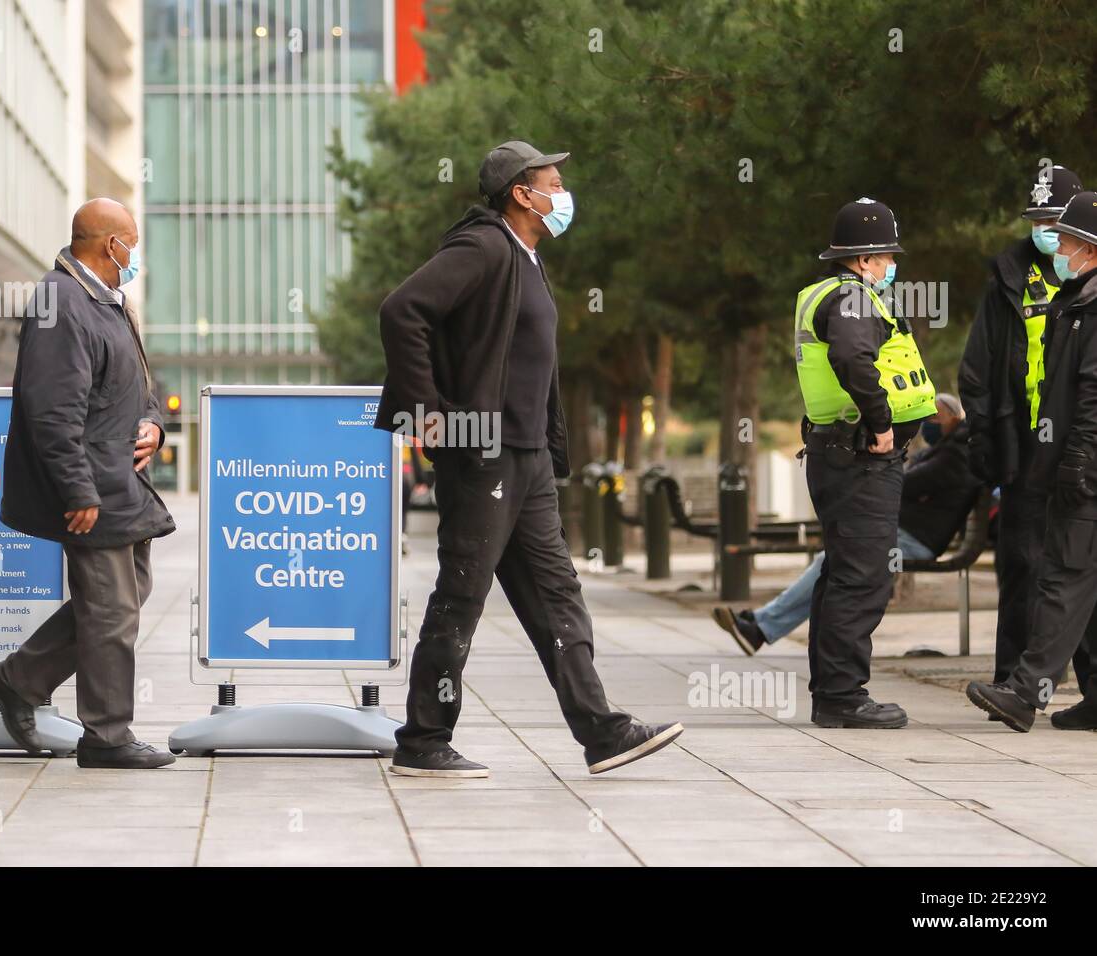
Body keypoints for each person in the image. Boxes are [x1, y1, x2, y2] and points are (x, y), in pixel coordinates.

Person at [373, 141, 682, 778]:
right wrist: (427, 409)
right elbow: (402, 310)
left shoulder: (528, 258)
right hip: (483, 453)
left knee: (556, 593)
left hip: (527, 456)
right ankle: (423, 740)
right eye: (554, 181)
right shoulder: (484, 247)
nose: (563, 192)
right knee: (461, 596)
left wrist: (548, 444)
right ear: (522, 193)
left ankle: (602, 731)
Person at [0, 198, 177, 769]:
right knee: (112, 610)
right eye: (131, 244)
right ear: (108, 244)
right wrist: (78, 491)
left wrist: (155, 426)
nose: (134, 255)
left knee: (122, 600)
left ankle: (19, 679)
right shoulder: (61, 302)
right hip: (93, 486)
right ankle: (107, 738)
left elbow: (140, 388)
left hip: (121, 482)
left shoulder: (107, 303)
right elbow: (51, 410)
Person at [793, 197, 938, 729]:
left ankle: (833, 692)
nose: (892, 267)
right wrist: (880, 424)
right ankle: (841, 697)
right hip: (860, 457)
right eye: (886, 258)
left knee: (842, 574)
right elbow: (853, 358)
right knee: (862, 576)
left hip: (836, 453)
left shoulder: (825, 294)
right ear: (863, 260)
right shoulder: (853, 299)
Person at [967, 191, 1097, 732]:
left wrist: (1079, 462)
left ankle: (1024, 694)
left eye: (1066, 239)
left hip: (1086, 469)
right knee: (1085, 580)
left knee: (1063, 578)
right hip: (1072, 461)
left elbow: (1093, 394)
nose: (1057, 247)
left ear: (1090, 249)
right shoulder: (1081, 299)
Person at [713, 394, 978, 653]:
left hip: (914, 540)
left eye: (935, 417)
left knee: (833, 560)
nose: (928, 421)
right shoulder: (947, 448)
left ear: (956, 418)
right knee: (833, 558)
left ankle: (763, 628)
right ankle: (764, 627)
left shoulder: (956, 454)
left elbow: (902, 484)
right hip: (901, 531)